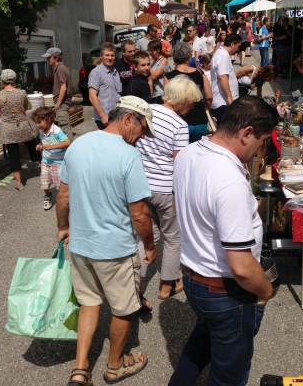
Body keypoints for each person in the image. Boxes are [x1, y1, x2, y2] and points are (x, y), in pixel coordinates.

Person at [169, 96, 278, 386]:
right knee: (229, 373)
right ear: (247, 133)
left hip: (193, 277)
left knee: (201, 342)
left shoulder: (189, 154)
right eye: (263, 140)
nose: (261, 149)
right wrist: (265, 291)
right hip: (225, 292)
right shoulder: (229, 179)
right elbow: (241, 267)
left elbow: (186, 209)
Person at [56, 97, 158, 386]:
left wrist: (63, 227)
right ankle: (115, 366)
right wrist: (150, 246)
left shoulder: (79, 144)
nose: (141, 138)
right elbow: (139, 214)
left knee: (89, 303)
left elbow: (63, 195)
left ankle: (80, 369)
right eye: (142, 130)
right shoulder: (128, 156)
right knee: (124, 308)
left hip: (81, 244)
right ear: (128, 119)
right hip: (114, 248)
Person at [136, 76, 202, 302]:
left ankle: (135, 289)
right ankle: (166, 286)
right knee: (173, 237)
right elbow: (179, 164)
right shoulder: (179, 125)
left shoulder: (146, 111)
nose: (193, 106)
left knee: (145, 237)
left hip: (141, 186)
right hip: (165, 188)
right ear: (182, 99)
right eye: (192, 102)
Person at [0, 69, 41, 191]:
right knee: (33, 148)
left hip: (8, 128)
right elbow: (26, 108)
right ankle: (45, 169)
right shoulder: (22, 93)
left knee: (13, 154)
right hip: (22, 125)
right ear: (14, 80)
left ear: (2, 81)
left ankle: (19, 183)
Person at [164, 43, 213, 142]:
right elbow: (209, 97)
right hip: (200, 121)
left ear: (174, 57)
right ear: (189, 57)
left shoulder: (169, 76)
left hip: (179, 122)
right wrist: (205, 108)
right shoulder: (200, 73)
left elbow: (168, 101)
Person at [31, 106, 70, 210]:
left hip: (58, 162)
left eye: (39, 122)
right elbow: (42, 140)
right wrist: (40, 145)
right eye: (36, 123)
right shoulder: (42, 130)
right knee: (44, 182)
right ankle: (48, 196)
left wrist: (52, 147)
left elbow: (67, 143)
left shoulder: (57, 131)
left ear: (48, 120)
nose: (37, 125)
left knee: (59, 184)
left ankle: (66, 198)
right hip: (45, 160)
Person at [42, 47, 73, 142]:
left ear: (56, 57)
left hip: (62, 104)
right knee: (64, 127)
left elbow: (63, 87)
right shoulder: (60, 68)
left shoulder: (60, 69)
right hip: (62, 103)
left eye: (49, 57)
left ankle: (70, 152)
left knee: (65, 129)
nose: (47, 60)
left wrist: (58, 103)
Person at [210, 34, 242, 125]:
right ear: (232, 44)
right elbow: (222, 77)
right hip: (223, 103)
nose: (238, 49)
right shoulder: (223, 55)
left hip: (224, 102)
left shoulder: (222, 54)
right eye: (238, 46)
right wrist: (230, 98)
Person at [88, 42, 122, 130]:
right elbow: (92, 96)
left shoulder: (115, 72)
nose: (110, 58)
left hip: (116, 117)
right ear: (101, 56)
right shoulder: (96, 73)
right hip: (105, 119)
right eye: (107, 55)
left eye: (112, 55)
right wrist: (103, 115)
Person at [147, 39, 170, 104]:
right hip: (153, 94)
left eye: (151, 51)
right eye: (148, 50)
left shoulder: (163, 60)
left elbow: (154, 76)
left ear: (158, 50)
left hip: (161, 94)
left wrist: (147, 65)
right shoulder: (152, 61)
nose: (150, 53)